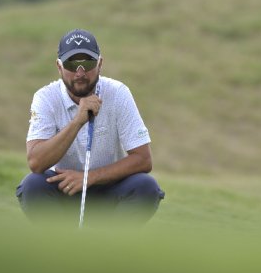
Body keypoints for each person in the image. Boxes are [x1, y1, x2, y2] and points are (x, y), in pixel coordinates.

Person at [16, 28, 164, 225]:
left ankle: (109, 249)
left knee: (146, 186)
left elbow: (143, 160)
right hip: (65, 190)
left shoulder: (118, 93)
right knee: (32, 185)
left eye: (87, 63)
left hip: (109, 189)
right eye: (71, 64)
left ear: (100, 63)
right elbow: (36, 162)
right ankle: (59, 248)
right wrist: (78, 121)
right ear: (59, 66)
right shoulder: (45, 98)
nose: (80, 73)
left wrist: (88, 178)